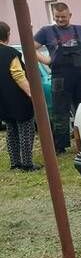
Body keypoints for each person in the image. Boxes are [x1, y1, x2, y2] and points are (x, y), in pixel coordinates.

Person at [33, 2, 81, 153]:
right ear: (53, 16)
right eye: (57, 17)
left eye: (63, 17)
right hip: (60, 77)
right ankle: (60, 146)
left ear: (69, 15)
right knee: (60, 111)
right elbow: (31, 47)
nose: (60, 20)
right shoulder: (46, 31)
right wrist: (47, 60)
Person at [0, 22, 39, 171]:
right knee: (25, 129)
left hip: (2, 101)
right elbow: (18, 75)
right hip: (17, 98)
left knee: (11, 131)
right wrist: (31, 94)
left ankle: (15, 163)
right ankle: (27, 163)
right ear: (7, 35)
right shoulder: (10, 53)